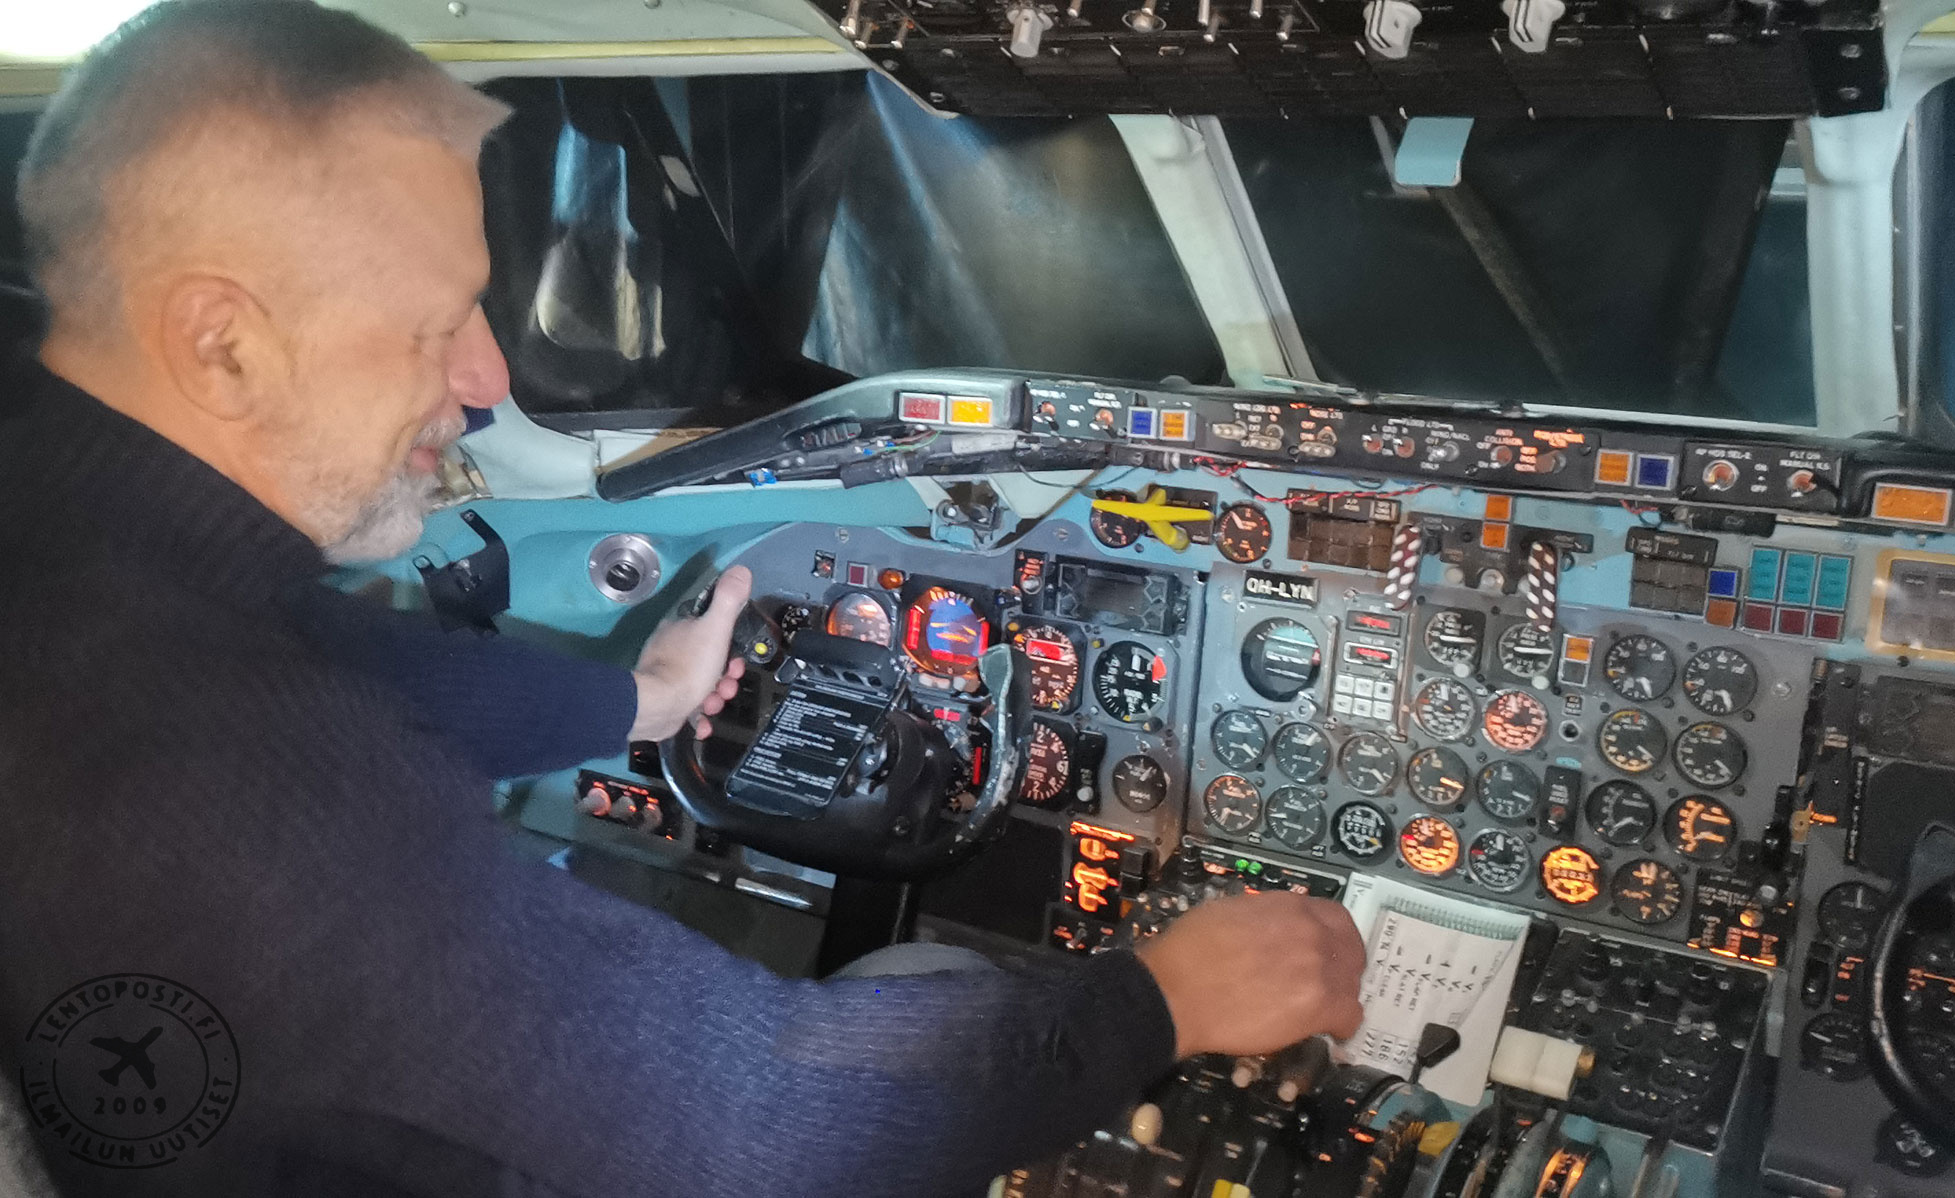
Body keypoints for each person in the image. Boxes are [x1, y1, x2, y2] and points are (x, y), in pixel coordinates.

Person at [0, 3, 1369, 1197]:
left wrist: (640, 700)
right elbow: (768, 1132)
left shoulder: (74, 544)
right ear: (222, 344)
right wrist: (1159, 1002)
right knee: (928, 997)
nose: (484, 381)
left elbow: (353, 663)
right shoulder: (217, 792)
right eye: (434, 323)